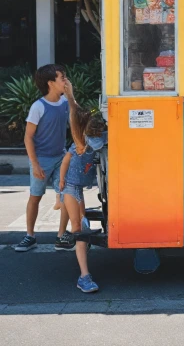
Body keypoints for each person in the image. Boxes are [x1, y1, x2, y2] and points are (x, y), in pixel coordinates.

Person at [15, 65, 77, 253]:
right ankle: (30, 236)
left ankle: (61, 236)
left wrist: (71, 97)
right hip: (41, 159)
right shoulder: (38, 107)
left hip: (60, 156)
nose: (65, 81)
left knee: (67, 195)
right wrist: (34, 164)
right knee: (35, 197)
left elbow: (78, 118)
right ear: (50, 83)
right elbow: (28, 137)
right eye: (61, 78)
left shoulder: (66, 102)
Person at [59, 93, 106, 293]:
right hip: (71, 188)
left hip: (77, 189)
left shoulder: (96, 140)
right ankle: (84, 277)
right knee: (79, 229)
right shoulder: (80, 143)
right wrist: (69, 96)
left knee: (81, 225)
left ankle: (68, 239)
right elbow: (73, 118)